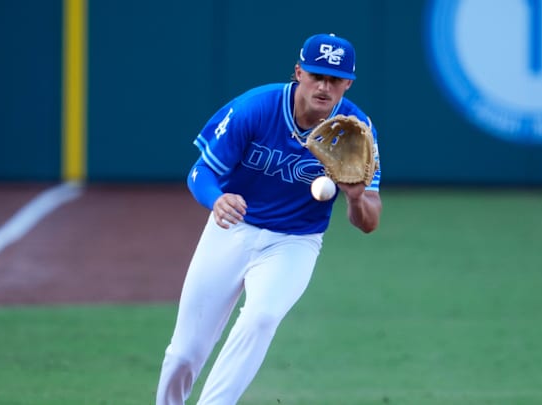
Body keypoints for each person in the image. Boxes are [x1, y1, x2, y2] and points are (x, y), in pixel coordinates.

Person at [155, 33, 382, 405]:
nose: (324, 86)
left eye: (335, 79)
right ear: (299, 72)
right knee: (183, 354)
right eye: (316, 75)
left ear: (348, 83)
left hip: (294, 242)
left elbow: (369, 220)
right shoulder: (257, 107)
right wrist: (217, 199)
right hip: (231, 230)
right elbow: (200, 173)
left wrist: (356, 198)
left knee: (260, 318)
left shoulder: (355, 130)